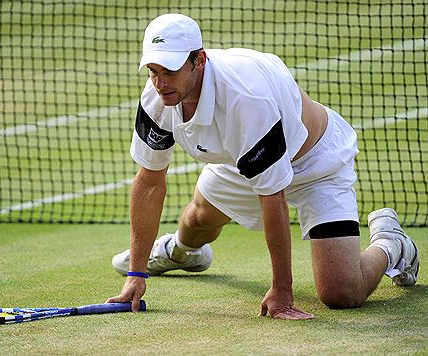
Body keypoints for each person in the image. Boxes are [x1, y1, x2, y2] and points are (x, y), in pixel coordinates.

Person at [106, 14, 419, 320]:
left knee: (342, 293)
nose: (160, 83)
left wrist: (282, 290)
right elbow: (149, 182)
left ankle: (392, 243)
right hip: (245, 156)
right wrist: (136, 272)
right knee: (197, 219)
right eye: (153, 71)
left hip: (315, 162)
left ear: (198, 60)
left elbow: (273, 197)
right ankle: (181, 252)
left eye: (170, 71)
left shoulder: (246, 98)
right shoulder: (157, 98)